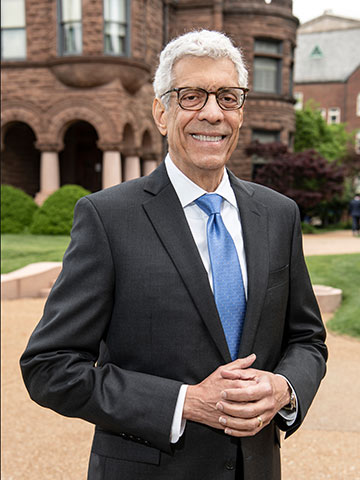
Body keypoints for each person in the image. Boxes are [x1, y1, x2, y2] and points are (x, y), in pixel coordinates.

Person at [20, 30, 327, 480]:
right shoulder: (107, 219)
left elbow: (307, 339)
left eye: (227, 97)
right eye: (191, 96)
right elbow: (49, 367)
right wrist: (184, 403)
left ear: (240, 112)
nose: (211, 113)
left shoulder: (279, 215)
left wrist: (284, 388)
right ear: (161, 113)